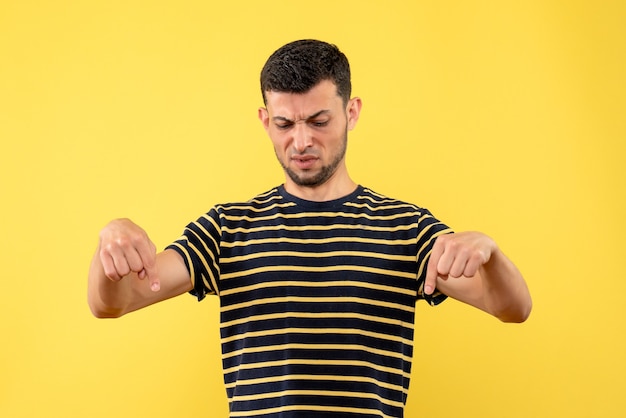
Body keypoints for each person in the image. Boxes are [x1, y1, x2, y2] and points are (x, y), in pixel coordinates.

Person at [88, 39, 532, 418]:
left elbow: (513, 308)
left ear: (351, 112)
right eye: (284, 123)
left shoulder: (407, 228)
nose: (301, 142)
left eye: (319, 122)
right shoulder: (227, 228)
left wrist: (490, 254)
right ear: (265, 120)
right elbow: (115, 302)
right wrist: (110, 244)